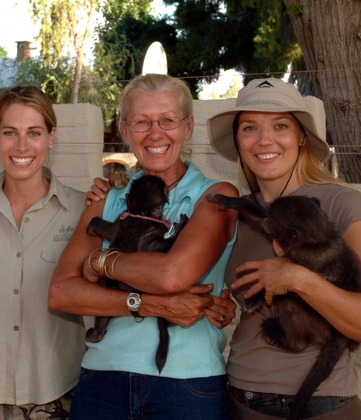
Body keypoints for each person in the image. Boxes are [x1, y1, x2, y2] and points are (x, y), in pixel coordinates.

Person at [48, 73, 239, 420]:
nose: (155, 133)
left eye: (168, 120)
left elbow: (173, 275)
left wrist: (99, 263)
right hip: (102, 378)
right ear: (124, 130)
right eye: (141, 122)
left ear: (188, 126)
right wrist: (152, 305)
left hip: (187, 383)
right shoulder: (106, 198)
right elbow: (62, 292)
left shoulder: (215, 196)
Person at [206, 77, 361, 419]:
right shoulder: (236, 211)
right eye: (250, 127)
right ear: (238, 140)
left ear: (301, 138)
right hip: (241, 400)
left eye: (280, 126)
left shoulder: (340, 203)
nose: (265, 140)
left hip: (324, 404)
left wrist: (297, 278)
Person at [0, 86, 86, 419]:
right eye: (9, 132)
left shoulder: (82, 209)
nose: (21, 146)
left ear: (51, 137)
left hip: (60, 389)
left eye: (34, 132)